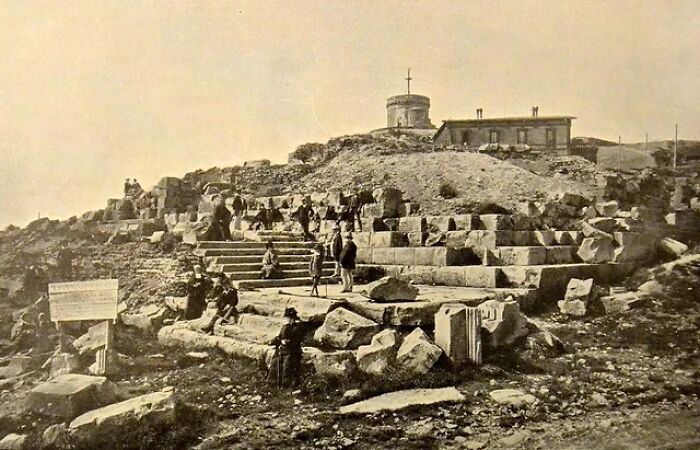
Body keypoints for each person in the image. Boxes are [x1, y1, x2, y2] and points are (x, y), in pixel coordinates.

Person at [267, 307, 304, 389]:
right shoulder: (285, 327)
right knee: (274, 363)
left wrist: (287, 342)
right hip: (282, 350)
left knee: (286, 367)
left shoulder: (297, 328)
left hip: (292, 351)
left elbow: (296, 341)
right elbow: (280, 337)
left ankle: (285, 386)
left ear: (292, 319)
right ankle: (271, 383)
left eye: (288, 318)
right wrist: (273, 341)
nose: (287, 320)